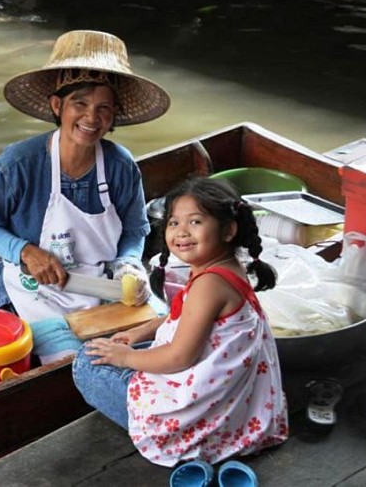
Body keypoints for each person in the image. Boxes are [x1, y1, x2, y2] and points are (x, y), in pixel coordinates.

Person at [0, 30, 171, 363]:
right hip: (35, 292)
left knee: (166, 337)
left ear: (114, 114)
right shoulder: (20, 163)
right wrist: (25, 251)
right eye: (80, 103)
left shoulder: (120, 165)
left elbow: (135, 231)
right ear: (57, 105)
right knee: (75, 366)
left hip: (104, 288)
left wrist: (130, 265)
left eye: (104, 108)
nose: (92, 118)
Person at [72, 176, 288, 467]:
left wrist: (126, 358)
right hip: (234, 406)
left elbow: (179, 356)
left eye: (195, 222)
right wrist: (144, 329)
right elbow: (185, 318)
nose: (181, 232)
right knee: (120, 350)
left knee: (86, 361)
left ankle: (183, 442)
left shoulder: (209, 285)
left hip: (199, 419)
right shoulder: (225, 268)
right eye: (174, 223)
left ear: (228, 230)